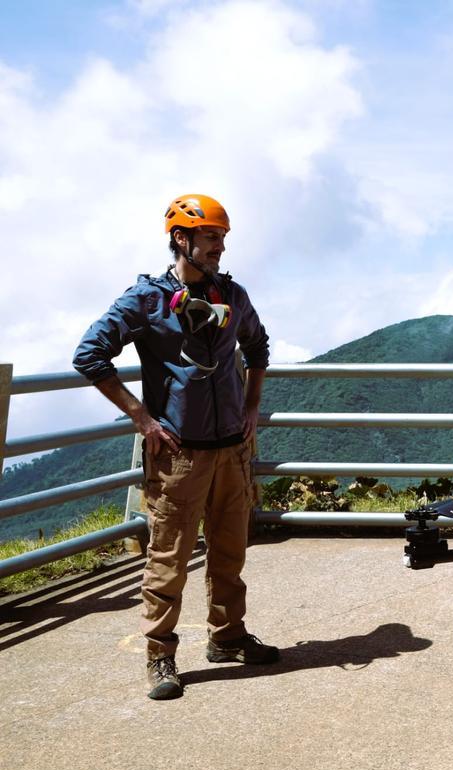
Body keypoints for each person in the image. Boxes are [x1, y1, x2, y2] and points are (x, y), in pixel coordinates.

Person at [73, 194, 279, 700]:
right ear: (181, 238)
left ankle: (227, 637)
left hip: (232, 449)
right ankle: (160, 656)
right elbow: (89, 353)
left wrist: (251, 406)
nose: (219, 247)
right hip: (179, 453)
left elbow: (258, 346)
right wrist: (142, 418)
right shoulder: (144, 302)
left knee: (230, 551)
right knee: (168, 558)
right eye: (211, 237)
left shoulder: (232, 295)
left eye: (223, 238)